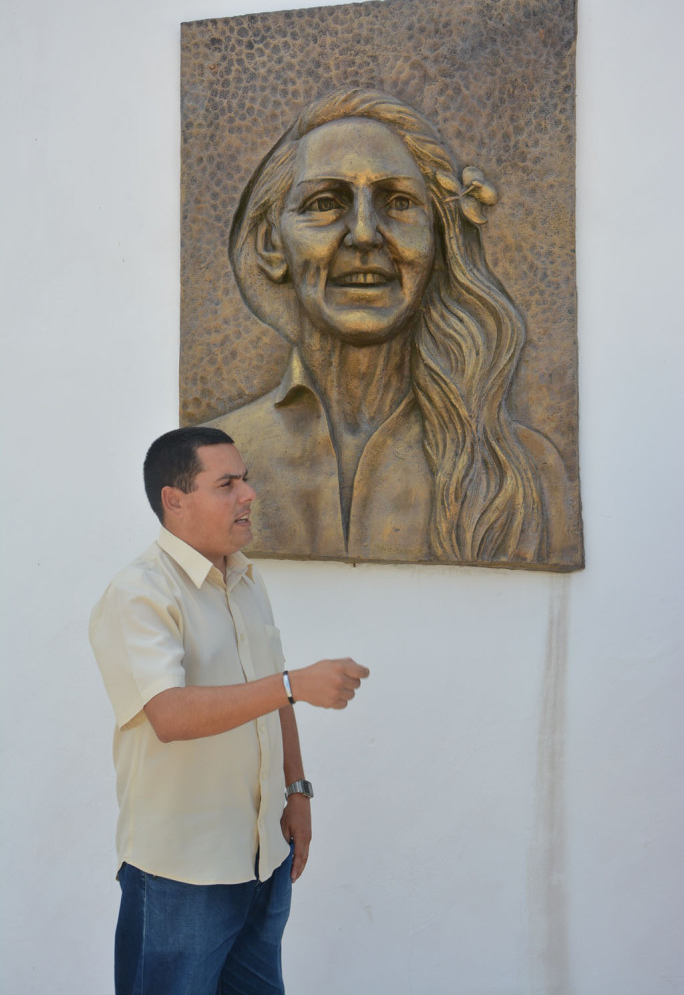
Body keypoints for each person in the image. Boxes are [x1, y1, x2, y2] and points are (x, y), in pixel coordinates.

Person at [210, 87, 579, 569]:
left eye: (399, 202)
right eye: (324, 203)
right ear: (270, 244)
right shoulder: (219, 455)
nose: (364, 233)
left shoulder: (530, 471)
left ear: (439, 238)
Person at [90, 426, 369, 995]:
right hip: (181, 876)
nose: (249, 494)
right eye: (227, 483)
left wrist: (298, 792)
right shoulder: (139, 593)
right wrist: (293, 684)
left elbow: (275, 693)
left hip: (264, 859)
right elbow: (170, 715)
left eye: (246, 479)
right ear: (175, 499)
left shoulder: (245, 577)